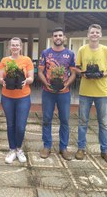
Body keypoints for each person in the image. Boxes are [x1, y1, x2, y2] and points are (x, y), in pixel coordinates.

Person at [75, 24, 107, 164]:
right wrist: (82, 74)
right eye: (92, 32)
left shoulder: (105, 50)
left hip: (102, 92)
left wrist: (102, 74)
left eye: (97, 32)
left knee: (103, 123)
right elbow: (77, 67)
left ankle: (105, 151)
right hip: (85, 92)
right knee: (82, 122)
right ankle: (81, 148)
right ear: (88, 35)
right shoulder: (82, 49)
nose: (94, 34)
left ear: (100, 35)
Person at [38, 27, 76, 161]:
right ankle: (47, 146)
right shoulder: (46, 53)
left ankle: (63, 147)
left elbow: (73, 73)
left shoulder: (70, 54)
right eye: (55, 35)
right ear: (52, 38)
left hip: (64, 93)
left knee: (64, 120)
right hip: (48, 92)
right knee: (47, 119)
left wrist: (67, 84)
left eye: (60, 35)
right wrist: (46, 83)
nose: (58, 37)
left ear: (64, 37)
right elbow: (40, 72)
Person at [0, 37, 34, 164]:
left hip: (23, 97)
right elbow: (0, 78)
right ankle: (12, 149)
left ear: (20, 47)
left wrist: (26, 81)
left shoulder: (27, 60)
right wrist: (3, 81)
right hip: (7, 97)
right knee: (10, 124)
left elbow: (31, 78)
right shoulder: (4, 60)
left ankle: (19, 148)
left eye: (17, 45)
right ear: (9, 47)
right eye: (12, 45)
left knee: (20, 126)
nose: (15, 47)